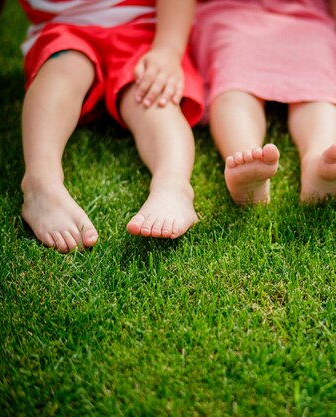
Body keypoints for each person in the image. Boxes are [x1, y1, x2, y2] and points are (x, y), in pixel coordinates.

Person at [19, 0, 204, 253]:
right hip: (63, 31)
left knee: (152, 96)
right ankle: (41, 183)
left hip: (139, 29)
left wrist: (168, 49)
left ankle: (173, 185)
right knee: (61, 74)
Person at [191, 0, 336, 205]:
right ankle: (244, 156)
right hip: (231, 13)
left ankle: (319, 161)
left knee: (319, 77)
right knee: (234, 80)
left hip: (307, 19)